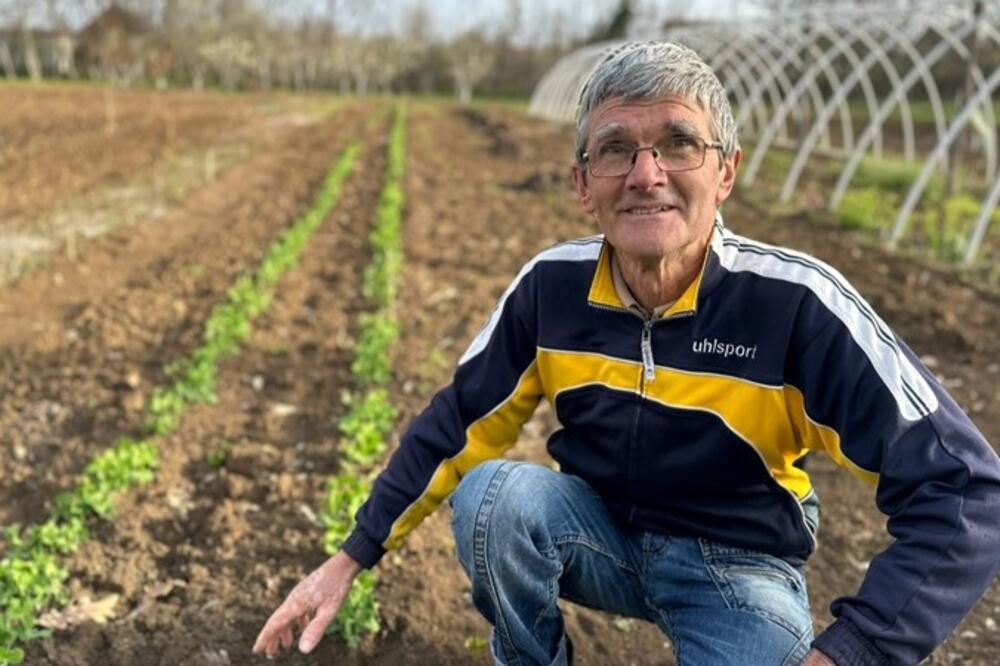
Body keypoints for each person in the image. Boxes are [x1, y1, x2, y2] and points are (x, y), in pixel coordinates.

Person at [253, 42, 1000, 665]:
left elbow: (965, 492)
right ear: (584, 184)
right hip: (600, 532)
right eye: (617, 150)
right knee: (492, 502)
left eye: (678, 143)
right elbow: (459, 421)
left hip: (737, 567)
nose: (647, 175)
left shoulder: (796, 305)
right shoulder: (552, 289)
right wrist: (348, 559)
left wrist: (853, 652)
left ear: (727, 171)